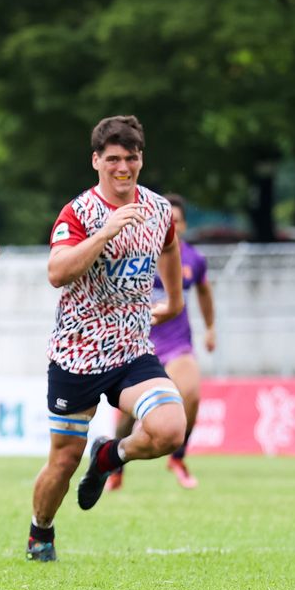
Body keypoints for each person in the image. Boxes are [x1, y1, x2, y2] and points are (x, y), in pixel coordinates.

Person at [27, 115, 187, 563]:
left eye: (130, 158)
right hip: (76, 355)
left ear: (141, 160)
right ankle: (41, 532)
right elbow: (58, 272)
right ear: (96, 161)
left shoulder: (157, 209)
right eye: (112, 158)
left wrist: (173, 300)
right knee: (62, 461)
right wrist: (106, 231)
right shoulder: (79, 213)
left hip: (132, 350)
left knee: (169, 429)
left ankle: (109, 457)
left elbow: (169, 245)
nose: (122, 167)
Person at [107, 193, 216, 490]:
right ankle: (114, 465)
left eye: (177, 221)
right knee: (129, 416)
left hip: (178, 344)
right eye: (168, 220)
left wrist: (210, 328)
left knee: (191, 395)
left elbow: (204, 292)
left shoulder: (194, 258)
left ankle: (178, 457)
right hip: (138, 344)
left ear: (182, 225)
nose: (172, 225)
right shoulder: (133, 252)